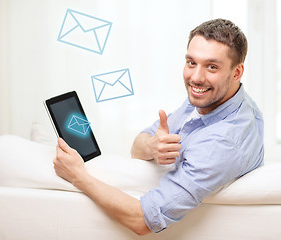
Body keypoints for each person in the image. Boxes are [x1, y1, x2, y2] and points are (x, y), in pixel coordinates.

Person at [53, 18, 264, 235]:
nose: (196, 78)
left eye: (212, 66)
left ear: (237, 72)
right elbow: (137, 147)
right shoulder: (213, 98)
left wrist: (77, 175)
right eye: (191, 62)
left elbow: (142, 221)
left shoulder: (223, 143)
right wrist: (152, 147)